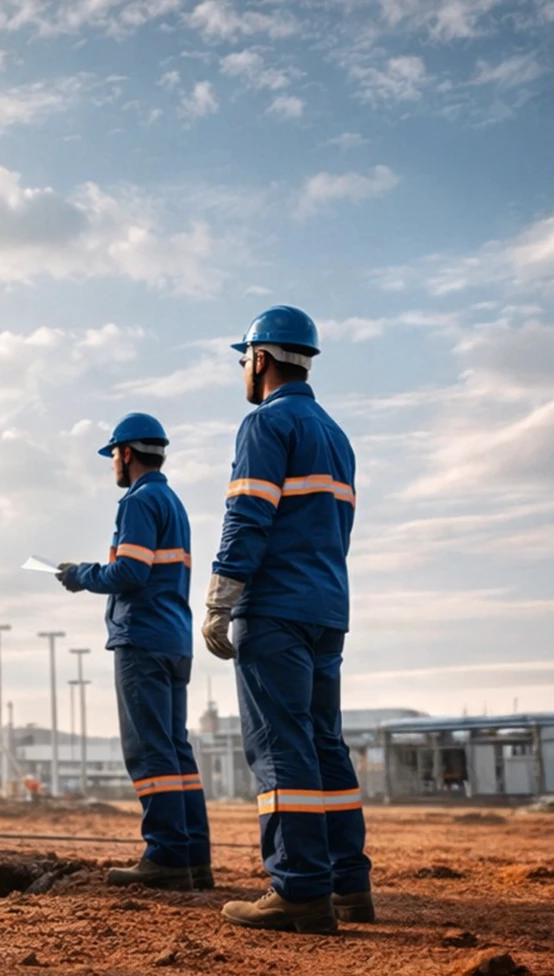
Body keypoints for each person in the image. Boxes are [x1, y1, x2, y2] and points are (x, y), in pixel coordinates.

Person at [203, 305, 372, 934]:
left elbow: (248, 514)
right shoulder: (335, 434)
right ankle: (349, 884)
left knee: (281, 745)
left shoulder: (264, 424)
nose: (245, 370)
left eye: (244, 359)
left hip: (274, 608)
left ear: (261, 359)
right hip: (327, 608)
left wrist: (222, 597)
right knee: (325, 743)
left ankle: (299, 888)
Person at [56, 413, 212, 890]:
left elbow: (130, 573)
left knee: (148, 750)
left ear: (125, 454)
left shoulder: (139, 502)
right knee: (175, 749)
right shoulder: (174, 503)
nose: (112, 467)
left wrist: (81, 575)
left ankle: (165, 855)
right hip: (174, 640)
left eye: (113, 458)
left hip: (142, 638)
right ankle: (193, 859)